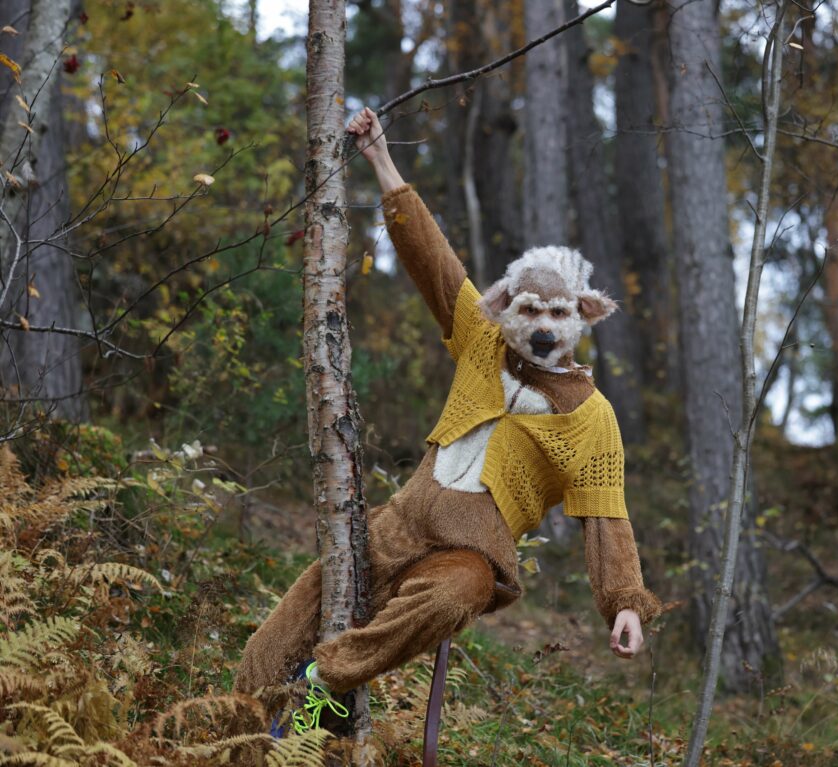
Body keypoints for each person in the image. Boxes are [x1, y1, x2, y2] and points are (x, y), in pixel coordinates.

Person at [235, 108, 661, 730]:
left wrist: (624, 604)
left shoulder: (590, 415)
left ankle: (324, 683)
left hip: (467, 554)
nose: (542, 327)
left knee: (455, 596)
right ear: (504, 307)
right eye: (529, 309)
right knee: (270, 643)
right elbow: (432, 260)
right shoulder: (481, 339)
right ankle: (249, 734)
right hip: (395, 525)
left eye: (557, 314)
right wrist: (383, 161)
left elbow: (607, 514)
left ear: (582, 318)